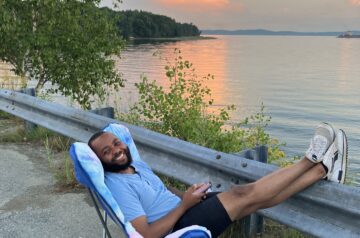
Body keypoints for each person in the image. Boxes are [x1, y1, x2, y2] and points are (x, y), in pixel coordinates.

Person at [88, 122, 348, 238]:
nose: (116, 150)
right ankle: (311, 160)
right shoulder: (116, 184)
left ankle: (321, 170)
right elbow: (145, 234)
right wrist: (185, 205)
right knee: (243, 194)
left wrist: (185, 195)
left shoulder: (135, 166)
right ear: (101, 161)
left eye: (115, 143)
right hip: (178, 227)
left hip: (183, 209)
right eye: (107, 152)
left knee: (253, 200)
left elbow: (159, 191)